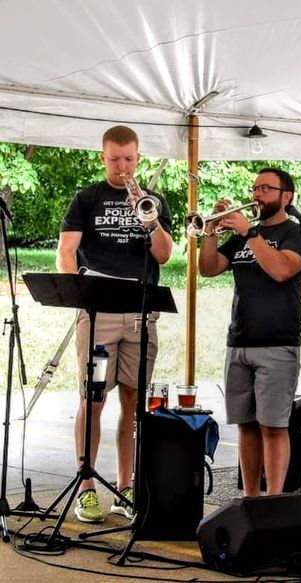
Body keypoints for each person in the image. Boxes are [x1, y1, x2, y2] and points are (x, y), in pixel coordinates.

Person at [56, 125, 174, 523]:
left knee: (133, 402)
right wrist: (80, 297)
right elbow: (66, 251)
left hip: (141, 314)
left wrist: (150, 220)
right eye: (114, 159)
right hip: (99, 313)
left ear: (138, 158)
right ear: (103, 157)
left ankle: (126, 486)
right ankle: (86, 485)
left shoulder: (153, 201)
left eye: (128, 159)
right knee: (93, 399)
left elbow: (163, 255)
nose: (122, 167)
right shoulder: (86, 198)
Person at [198, 168, 301, 496]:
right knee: (246, 426)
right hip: (239, 341)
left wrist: (250, 235)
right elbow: (209, 268)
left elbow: (280, 270)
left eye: (265, 189)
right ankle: (250, 498)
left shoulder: (297, 233)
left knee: (273, 426)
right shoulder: (247, 234)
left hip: (277, 343)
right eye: (255, 188)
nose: (256, 195)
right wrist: (210, 232)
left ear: (286, 196)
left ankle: (272, 501)